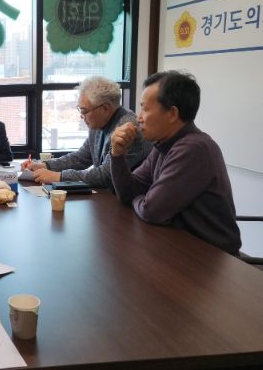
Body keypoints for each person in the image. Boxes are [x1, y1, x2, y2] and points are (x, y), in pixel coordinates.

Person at [110, 70, 241, 255]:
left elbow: (151, 211)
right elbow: (127, 192)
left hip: (213, 258)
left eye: (145, 109)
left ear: (172, 113)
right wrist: (117, 153)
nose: (138, 117)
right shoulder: (164, 145)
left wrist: (139, 199)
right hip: (179, 247)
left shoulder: (194, 148)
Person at [21, 76, 152, 188]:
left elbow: (106, 175)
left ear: (105, 109)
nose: (81, 116)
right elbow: (81, 157)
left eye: (84, 111)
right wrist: (45, 166)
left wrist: (59, 177)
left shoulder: (127, 128)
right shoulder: (99, 123)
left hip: (130, 203)